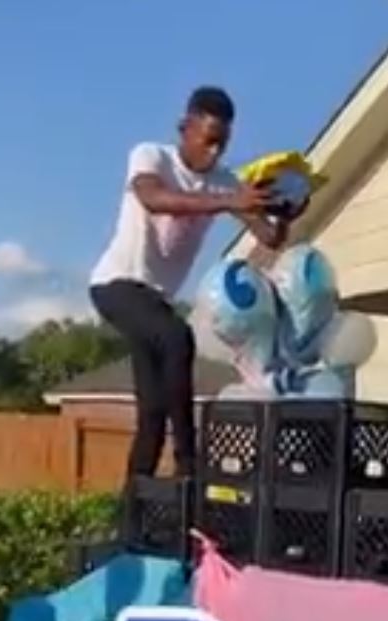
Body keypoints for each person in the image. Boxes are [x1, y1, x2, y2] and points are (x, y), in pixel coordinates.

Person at [90, 86, 288, 479]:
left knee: (152, 411)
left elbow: (269, 237)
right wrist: (228, 201)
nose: (214, 154)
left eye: (223, 145)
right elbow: (153, 198)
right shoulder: (151, 156)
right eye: (209, 141)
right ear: (186, 128)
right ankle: (188, 464)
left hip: (156, 299)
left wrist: (286, 212)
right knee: (178, 337)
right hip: (116, 285)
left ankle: (135, 502)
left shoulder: (224, 181)